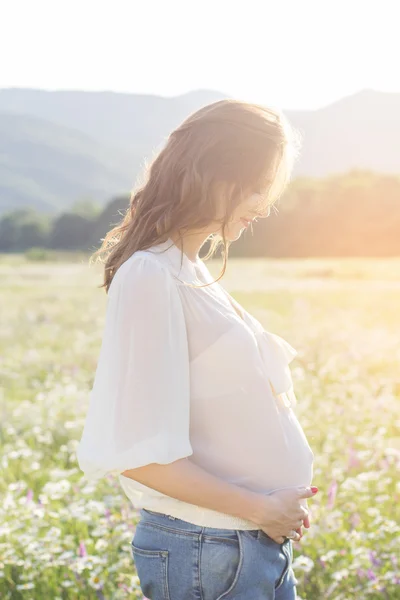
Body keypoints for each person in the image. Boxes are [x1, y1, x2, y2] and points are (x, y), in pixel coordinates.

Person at [77, 99, 318, 600]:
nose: (265, 205)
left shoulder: (191, 270)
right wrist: (259, 507)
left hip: (240, 547)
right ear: (215, 175)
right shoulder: (150, 274)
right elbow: (136, 453)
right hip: (208, 548)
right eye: (257, 186)